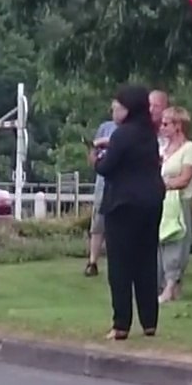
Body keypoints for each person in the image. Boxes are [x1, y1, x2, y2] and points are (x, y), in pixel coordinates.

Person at [94, 85, 166, 341]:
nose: (115, 110)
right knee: (146, 261)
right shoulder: (149, 134)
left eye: (119, 106)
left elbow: (107, 167)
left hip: (124, 205)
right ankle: (149, 322)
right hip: (151, 202)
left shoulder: (122, 135)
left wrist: (95, 158)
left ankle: (121, 323)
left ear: (129, 109)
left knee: (121, 265)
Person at [157, 106, 192, 303]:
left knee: (177, 242)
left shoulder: (189, 149)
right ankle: (166, 286)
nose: (162, 127)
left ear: (178, 126)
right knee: (161, 242)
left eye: (166, 123)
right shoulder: (162, 148)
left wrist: (163, 184)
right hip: (162, 202)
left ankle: (171, 285)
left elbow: (184, 178)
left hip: (180, 201)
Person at [84, 100, 126, 277]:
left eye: (117, 109)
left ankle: (121, 263)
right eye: (112, 109)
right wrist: (93, 153)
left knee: (121, 226)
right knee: (98, 225)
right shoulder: (105, 127)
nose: (113, 113)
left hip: (122, 186)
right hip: (102, 184)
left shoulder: (130, 131)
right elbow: (93, 154)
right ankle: (92, 262)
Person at [149, 89, 170, 154]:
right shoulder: (140, 129)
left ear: (165, 108)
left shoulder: (172, 132)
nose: (151, 110)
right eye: (149, 105)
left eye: (156, 106)